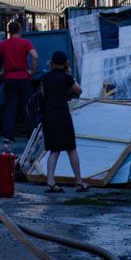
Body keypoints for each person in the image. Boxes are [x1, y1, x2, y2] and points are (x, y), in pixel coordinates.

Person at [40, 50, 85, 193]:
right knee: (71, 148)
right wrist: (70, 75)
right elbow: (79, 91)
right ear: (66, 63)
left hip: (48, 115)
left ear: (52, 63)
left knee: (54, 150)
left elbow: (42, 94)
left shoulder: (45, 78)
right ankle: (78, 181)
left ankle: (51, 181)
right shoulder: (66, 78)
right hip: (62, 115)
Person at [0, 20, 37, 142]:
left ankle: (8, 135)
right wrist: (32, 71)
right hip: (23, 76)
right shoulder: (26, 43)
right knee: (27, 106)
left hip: (9, 78)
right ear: (19, 30)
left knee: (10, 107)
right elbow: (35, 56)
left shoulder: (3, 44)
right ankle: (31, 134)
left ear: (9, 31)